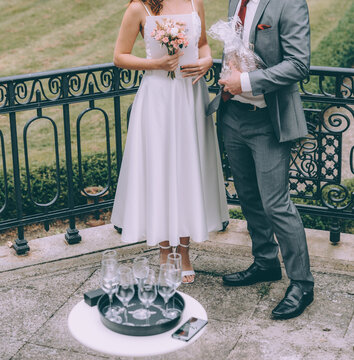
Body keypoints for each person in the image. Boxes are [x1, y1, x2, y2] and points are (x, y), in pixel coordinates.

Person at [208, 0, 314, 319]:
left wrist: (247, 83)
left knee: (276, 204)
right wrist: (230, 81)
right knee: (250, 197)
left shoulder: (290, 3)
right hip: (232, 115)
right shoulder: (235, 1)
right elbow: (237, 50)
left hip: (268, 121)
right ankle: (266, 262)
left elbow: (298, 64)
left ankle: (302, 284)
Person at [111, 0, 229, 284]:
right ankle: (165, 251)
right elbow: (120, 56)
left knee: (189, 170)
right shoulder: (139, 8)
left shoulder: (194, 2)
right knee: (161, 171)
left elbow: (202, 45)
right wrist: (156, 64)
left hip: (190, 96)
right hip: (159, 98)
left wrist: (207, 60)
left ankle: (184, 252)